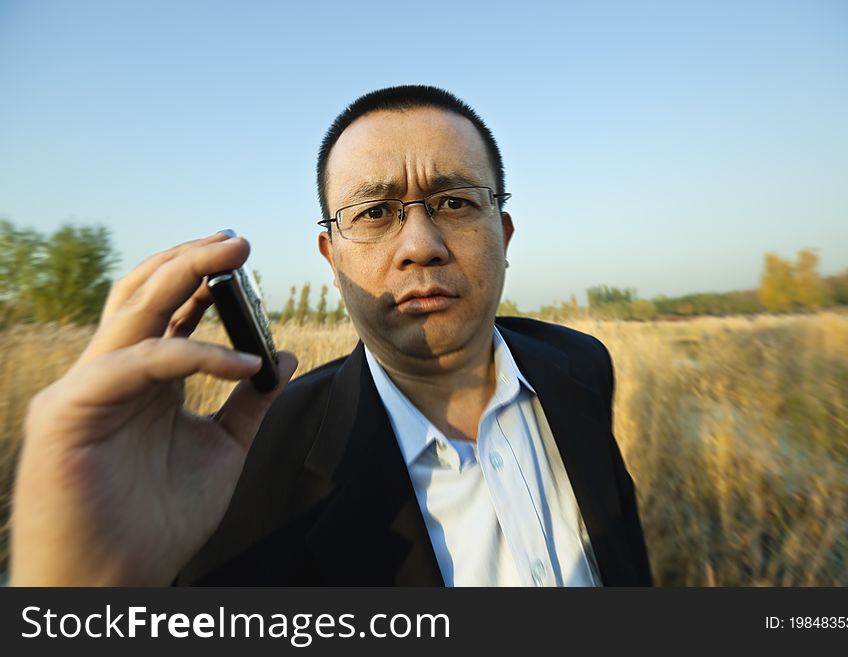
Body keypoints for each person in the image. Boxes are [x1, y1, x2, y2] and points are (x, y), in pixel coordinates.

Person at [10, 85, 652, 587]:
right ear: (332, 257)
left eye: (455, 202)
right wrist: (82, 591)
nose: (421, 247)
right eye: (374, 213)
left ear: (503, 234)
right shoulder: (251, 465)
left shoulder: (579, 365)